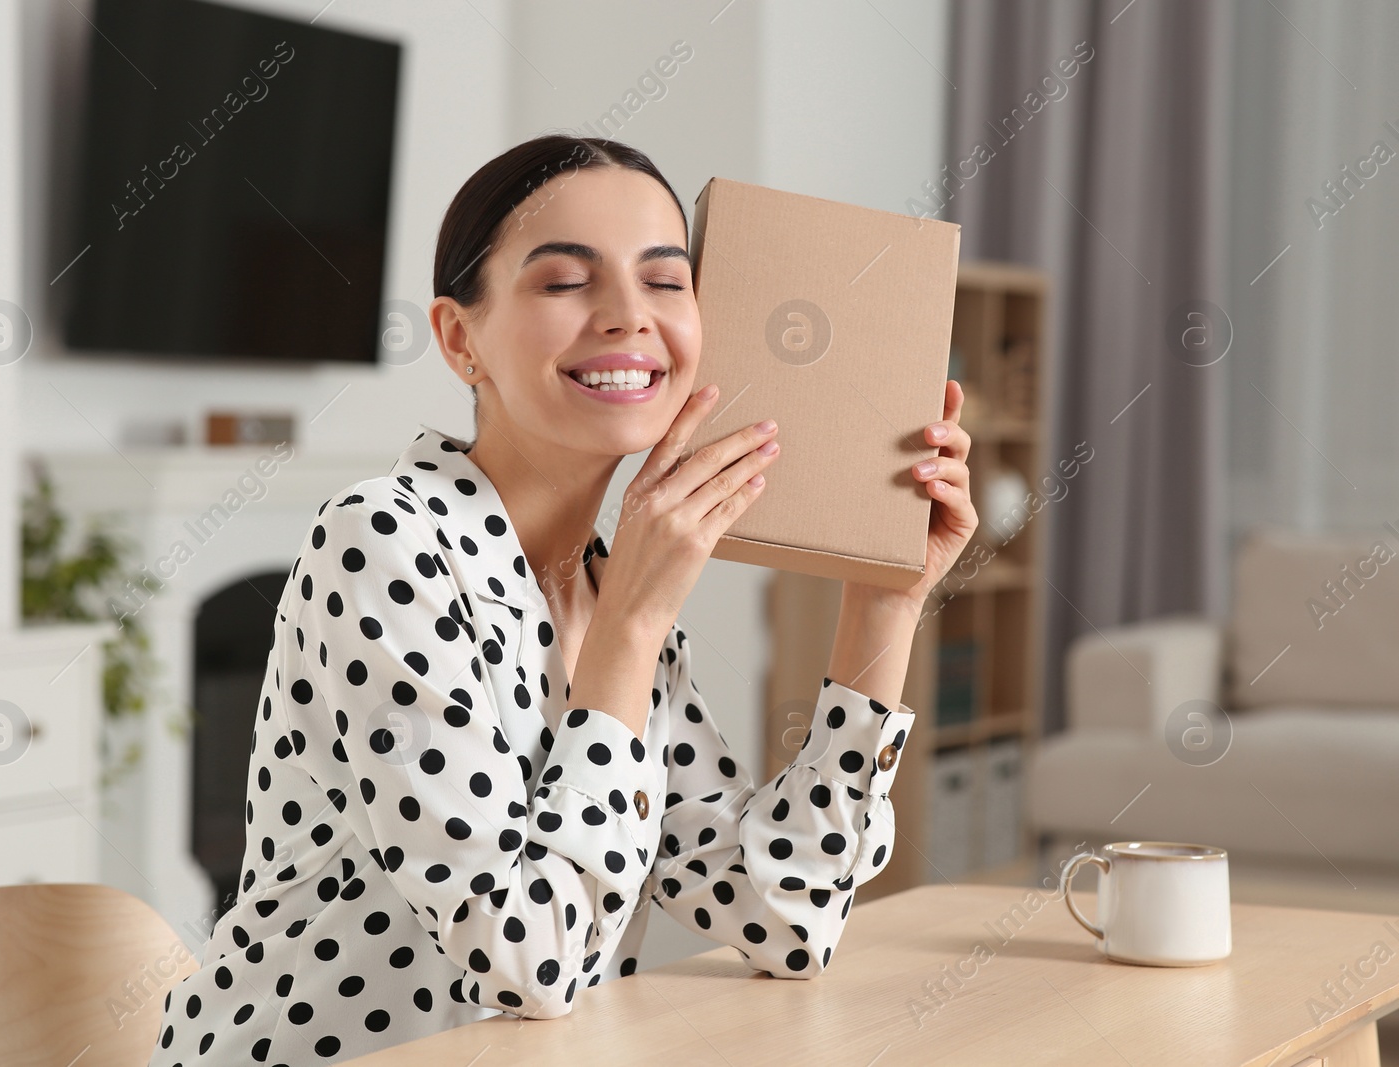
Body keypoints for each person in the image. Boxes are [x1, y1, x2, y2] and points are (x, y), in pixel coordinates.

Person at [147, 134, 976, 1065]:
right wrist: (630, 623)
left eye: (666, 282)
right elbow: (523, 963)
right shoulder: (383, 540)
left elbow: (782, 914)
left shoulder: (607, 582)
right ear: (462, 339)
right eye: (564, 283)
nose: (629, 317)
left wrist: (885, 602)